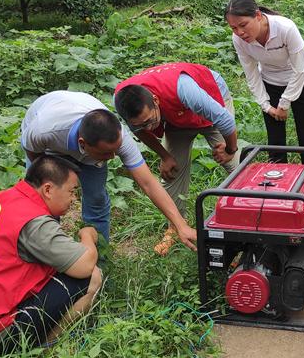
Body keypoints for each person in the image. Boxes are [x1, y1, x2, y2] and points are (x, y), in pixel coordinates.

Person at [0, 155, 102, 353]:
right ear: (48, 189)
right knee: (92, 276)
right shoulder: (34, 222)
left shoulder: (3, 198)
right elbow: (84, 265)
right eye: (71, 191)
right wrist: (87, 236)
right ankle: (44, 351)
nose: (74, 199)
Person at [20, 90, 196, 249]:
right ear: (83, 144)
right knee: (43, 197)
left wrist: (180, 225)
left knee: (96, 198)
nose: (112, 157)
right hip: (51, 144)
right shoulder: (44, 131)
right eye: (106, 153)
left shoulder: (118, 138)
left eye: (115, 151)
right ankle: (45, 249)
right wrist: (51, 177)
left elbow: (148, 183)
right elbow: (34, 156)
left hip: (82, 131)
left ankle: (99, 257)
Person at [114, 62, 240, 254]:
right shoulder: (123, 101)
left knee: (236, 167)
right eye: (141, 124)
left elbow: (225, 120)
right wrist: (165, 156)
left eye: (149, 121)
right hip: (176, 114)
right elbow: (139, 131)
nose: (148, 127)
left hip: (210, 96)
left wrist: (230, 149)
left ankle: (250, 217)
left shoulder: (185, 90)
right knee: (172, 171)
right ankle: (175, 226)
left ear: (155, 100)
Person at [225, 0, 304, 164]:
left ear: (258, 16)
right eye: (233, 28)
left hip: (301, 80)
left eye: (243, 25)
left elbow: (300, 69)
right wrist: (267, 106)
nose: (240, 32)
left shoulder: (285, 28)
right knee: (275, 142)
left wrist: (284, 103)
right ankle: (276, 186)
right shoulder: (239, 40)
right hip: (270, 82)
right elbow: (252, 74)